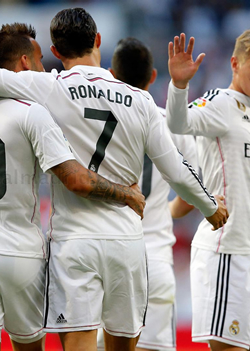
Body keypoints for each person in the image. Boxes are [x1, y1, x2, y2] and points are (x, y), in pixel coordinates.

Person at [0, 8, 228, 351]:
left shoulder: (51, 86)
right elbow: (175, 166)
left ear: (55, 51)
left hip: (75, 243)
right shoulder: (141, 100)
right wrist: (209, 207)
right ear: (97, 40)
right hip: (127, 242)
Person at [0, 22, 145, 351]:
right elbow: (76, 179)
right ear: (25, 62)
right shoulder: (33, 112)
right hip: (19, 252)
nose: (44, 67)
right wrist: (127, 193)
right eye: (39, 59)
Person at [166, 30, 250, 350]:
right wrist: (179, 85)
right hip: (225, 252)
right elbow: (178, 124)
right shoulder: (221, 103)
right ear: (235, 63)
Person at [95, 37, 198, 351]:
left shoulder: (96, 121)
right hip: (154, 258)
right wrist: (162, 213)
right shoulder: (172, 125)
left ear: (111, 73)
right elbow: (192, 193)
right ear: (153, 76)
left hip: (105, 257)